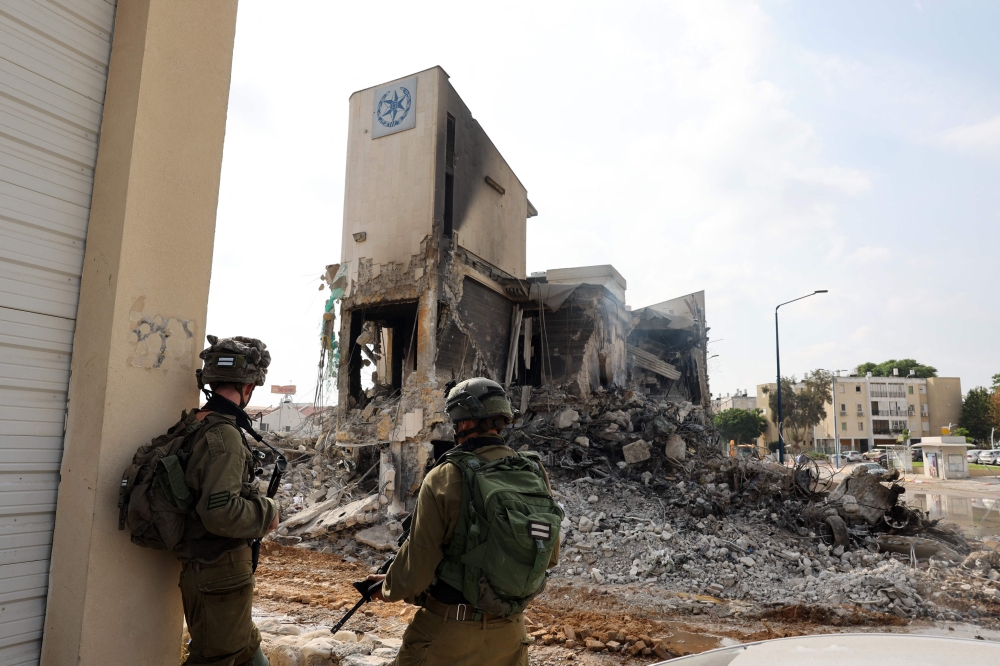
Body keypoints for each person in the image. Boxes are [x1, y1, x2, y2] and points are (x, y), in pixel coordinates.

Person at [367, 378, 561, 666]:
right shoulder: (533, 471)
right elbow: (550, 555)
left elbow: (418, 569)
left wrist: (387, 588)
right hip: (511, 637)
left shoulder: (445, 476)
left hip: (448, 635)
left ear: (464, 423)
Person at [178, 335, 280, 666]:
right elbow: (220, 512)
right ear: (248, 387)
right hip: (219, 576)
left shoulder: (194, 424)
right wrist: (268, 511)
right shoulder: (226, 436)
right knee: (220, 658)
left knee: (247, 655)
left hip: (214, 575)